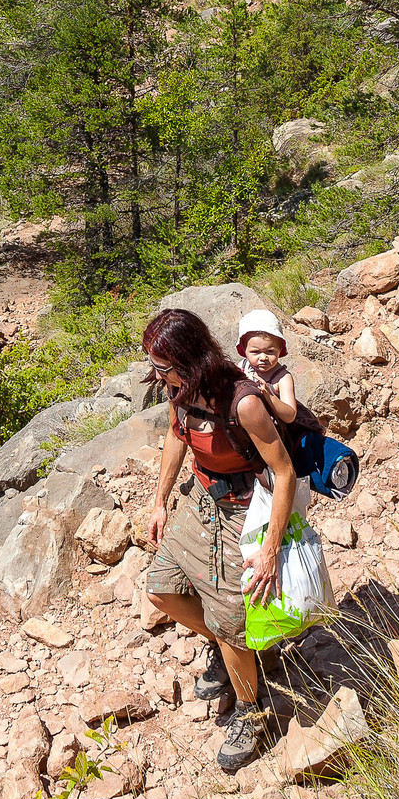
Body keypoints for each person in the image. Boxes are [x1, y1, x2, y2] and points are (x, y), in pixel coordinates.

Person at [142, 303, 295, 773]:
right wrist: (160, 498)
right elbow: (177, 435)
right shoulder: (181, 391)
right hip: (203, 502)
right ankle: (241, 657)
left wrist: (270, 547)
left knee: (232, 623)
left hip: (244, 512)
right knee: (162, 589)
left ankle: (253, 711)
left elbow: (284, 472)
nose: (155, 373)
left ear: (188, 361)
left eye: (162, 365)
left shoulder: (242, 401)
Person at [237, 309, 299, 427]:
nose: (263, 357)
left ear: (280, 349)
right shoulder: (243, 367)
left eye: (270, 351)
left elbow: (290, 416)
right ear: (244, 349)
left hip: (272, 431)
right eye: (255, 352)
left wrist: (269, 396)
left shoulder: (282, 378)